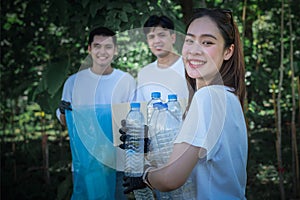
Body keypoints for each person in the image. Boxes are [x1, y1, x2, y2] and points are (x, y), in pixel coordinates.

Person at [123, 8, 248, 199]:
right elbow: (193, 157)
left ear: (228, 51)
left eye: (207, 42)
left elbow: (170, 179)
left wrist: (143, 176)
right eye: (190, 40)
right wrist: (150, 146)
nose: (194, 50)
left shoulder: (208, 97)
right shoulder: (227, 96)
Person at [57, 27, 136, 199]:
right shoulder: (73, 82)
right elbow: (65, 121)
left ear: (115, 51)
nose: (102, 51)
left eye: (108, 47)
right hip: (87, 165)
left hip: (117, 164)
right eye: (97, 46)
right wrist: (63, 111)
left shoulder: (126, 81)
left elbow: (133, 121)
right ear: (89, 49)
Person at [136, 15, 189, 103]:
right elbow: (141, 108)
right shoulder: (144, 73)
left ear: (173, 38)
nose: (157, 41)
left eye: (162, 35)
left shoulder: (188, 67)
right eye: (151, 37)